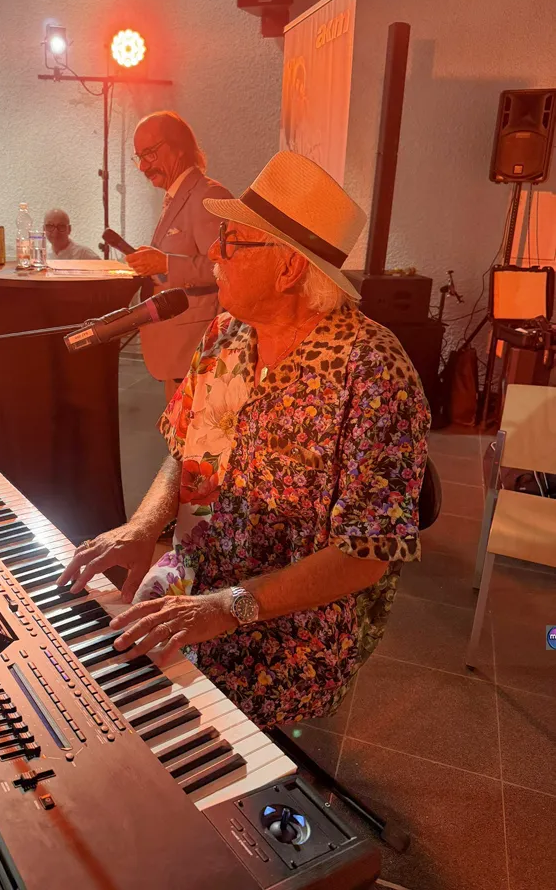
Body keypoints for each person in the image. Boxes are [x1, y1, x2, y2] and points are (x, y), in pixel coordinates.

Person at [59, 151, 430, 731]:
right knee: (101, 662)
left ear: (289, 269)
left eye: (232, 241)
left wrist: (227, 606)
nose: (213, 251)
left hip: (293, 620)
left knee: (156, 718)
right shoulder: (228, 331)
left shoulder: (374, 371)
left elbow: (366, 555)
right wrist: (142, 528)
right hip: (201, 566)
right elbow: (185, 450)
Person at [127, 111, 232, 402]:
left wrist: (165, 264)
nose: (143, 166)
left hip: (197, 353)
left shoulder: (209, 195)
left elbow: (229, 268)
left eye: (149, 153)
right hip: (178, 353)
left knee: (194, 430)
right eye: (139, 157)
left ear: (179, 147)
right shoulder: (178, 195)